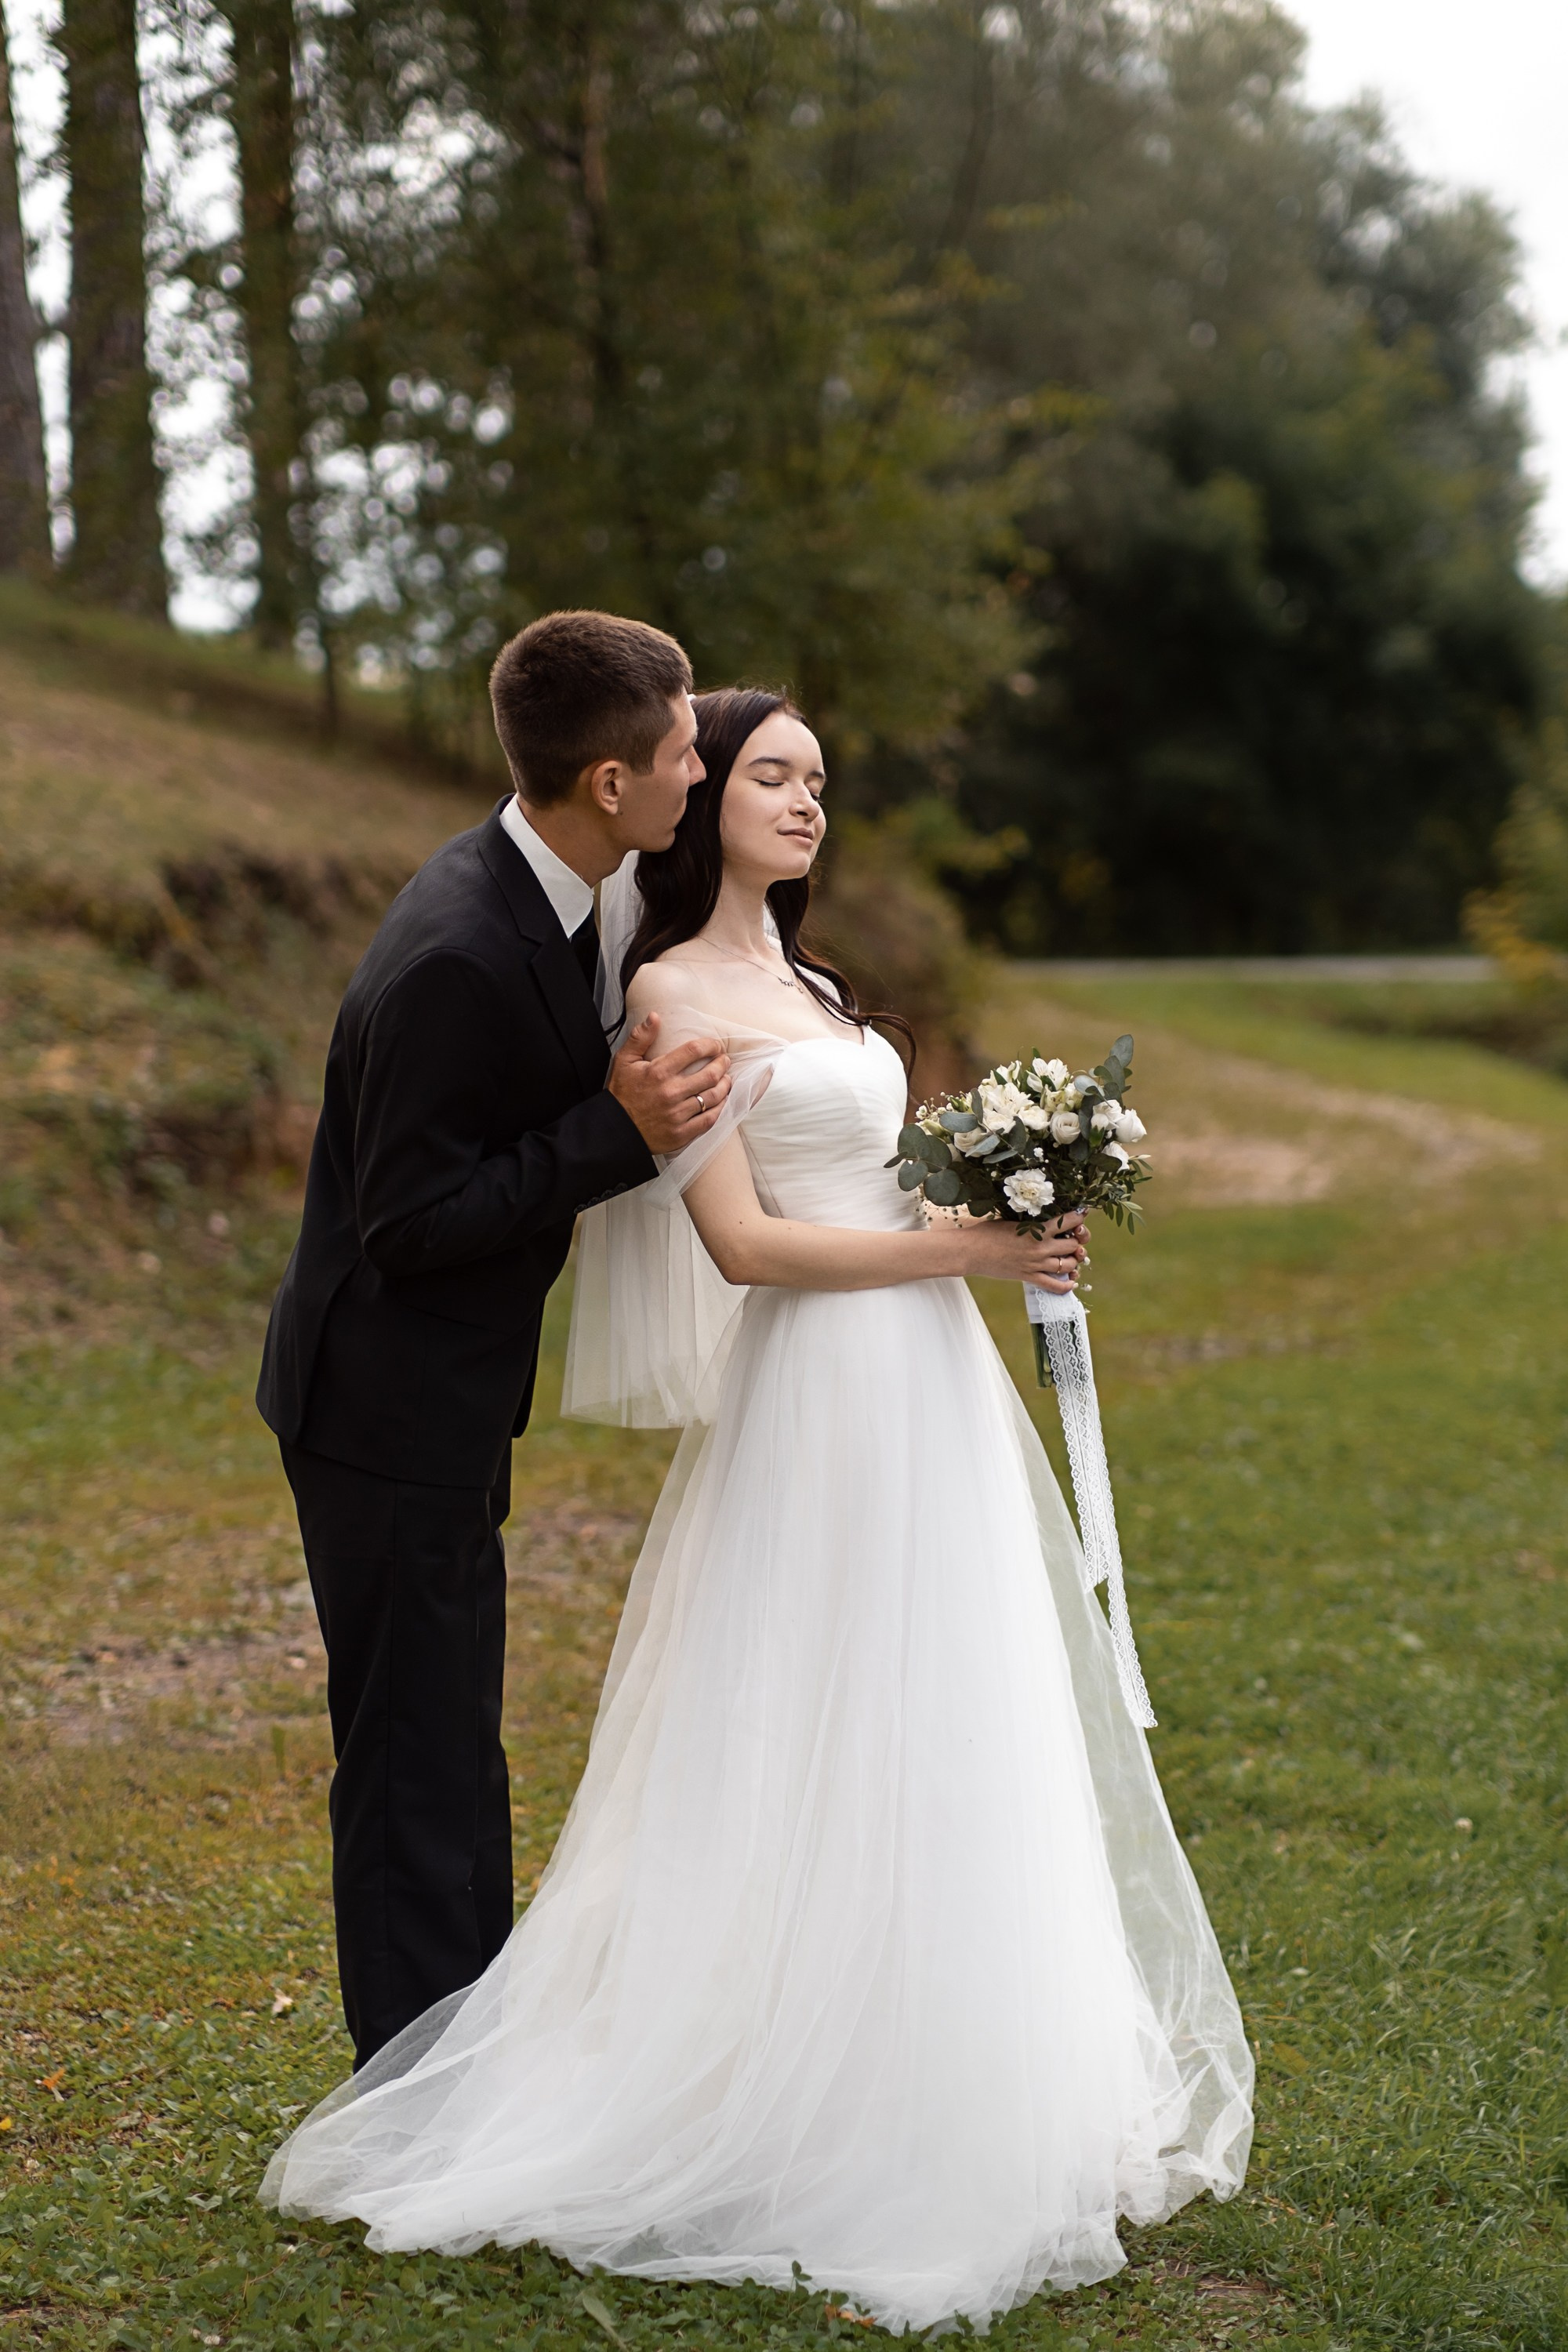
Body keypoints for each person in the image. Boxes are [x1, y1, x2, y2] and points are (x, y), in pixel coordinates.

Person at [263, 688, 1253, 2334]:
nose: (807, 805)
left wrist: (1014, 1183)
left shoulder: (815, 986)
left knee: (953, 1712)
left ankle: (953, 2048)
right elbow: (740, 1244)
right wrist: (967, 1250)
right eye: (774, 775)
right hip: (817, 1390)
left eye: (821, 782)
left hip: (929, 1388)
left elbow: (876, 1172)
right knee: (809, 1715)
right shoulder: (665, 993)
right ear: (694, 789)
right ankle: (761, 2078)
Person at [256, 611, 734, 2067]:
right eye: (683, 752)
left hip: (445, 1398)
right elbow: (410, 1222)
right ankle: (410, 2087)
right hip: (383, 1409)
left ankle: (465, 2049)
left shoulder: (562, 896)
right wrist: (615, 1133)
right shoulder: (460, 951)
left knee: (451, 1732)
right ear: (610, 783)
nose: (701, 773)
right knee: (413, 1752)